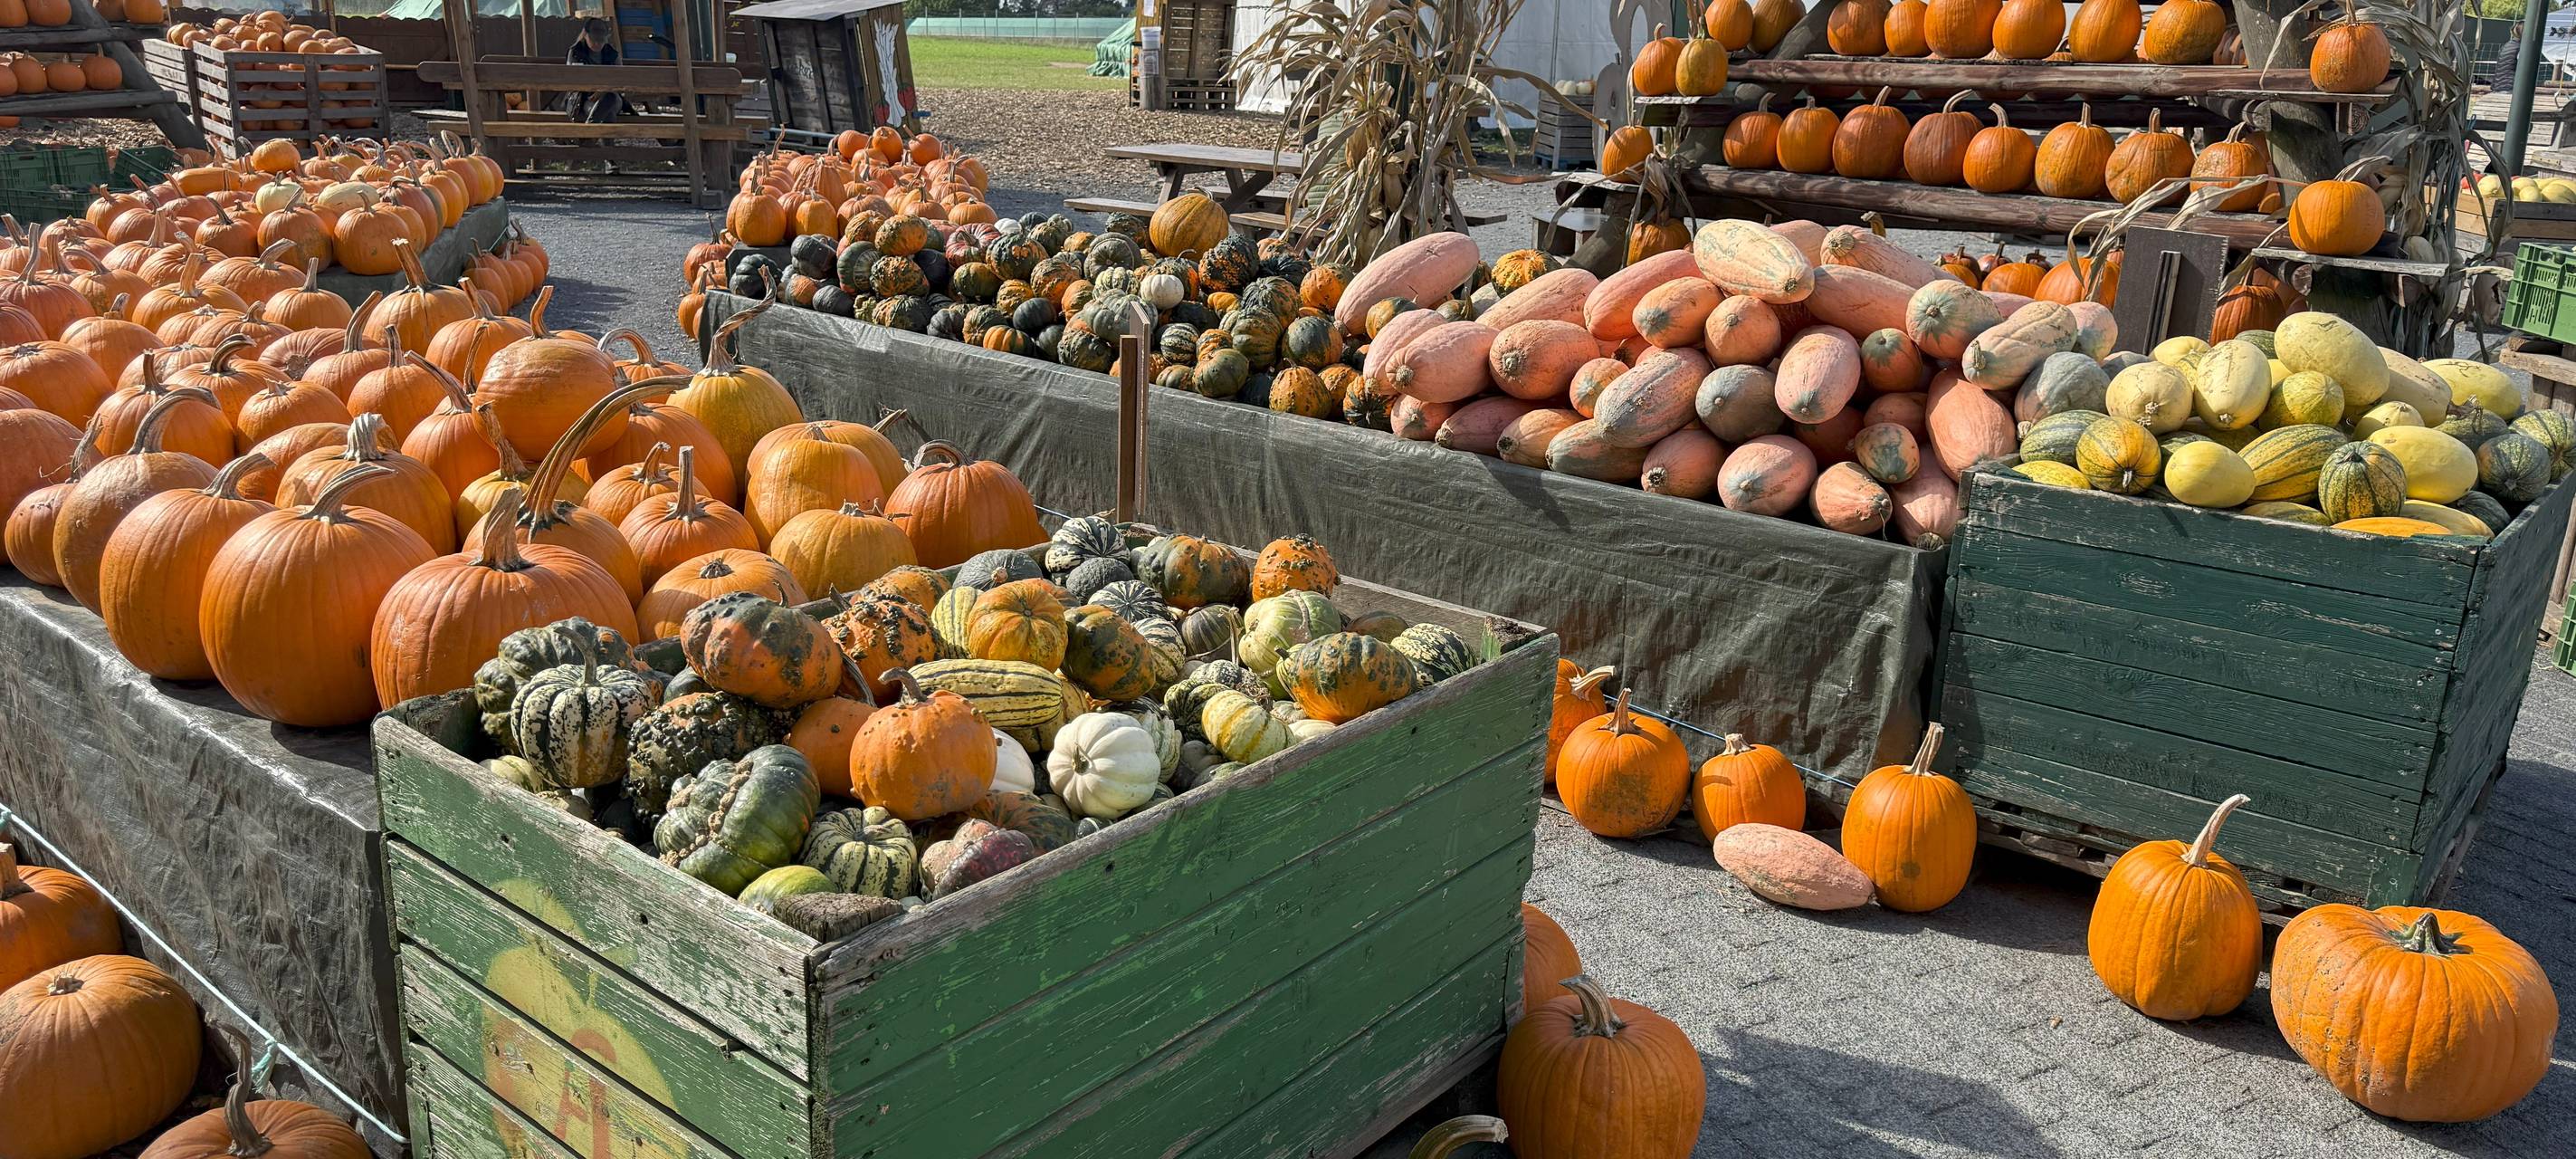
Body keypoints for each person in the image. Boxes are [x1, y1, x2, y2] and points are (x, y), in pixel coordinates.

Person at [566, 18, 625, 124]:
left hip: (611, 96)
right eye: (594, 40)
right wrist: (593, 90)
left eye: (601, 40)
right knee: (608, 115)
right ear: (585, 35)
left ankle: (589, 130)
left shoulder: (613, 54)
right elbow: (572, 79)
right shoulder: (576, 52)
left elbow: (620, 80)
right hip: (584, 99)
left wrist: (603, 90)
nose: (597, 43)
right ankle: (591, 129)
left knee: (609, 99)